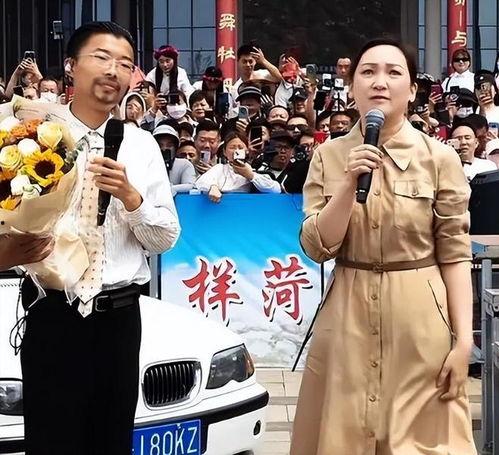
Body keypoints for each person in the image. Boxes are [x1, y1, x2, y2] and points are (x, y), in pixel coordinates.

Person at [291, 38, 476, 454]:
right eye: (368, 72)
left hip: (420, 322)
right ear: (351, 86)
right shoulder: (327, 156)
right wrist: (347, 184)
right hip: (347, 318)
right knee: (342, 437)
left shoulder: (439, 158)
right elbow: (318, 246)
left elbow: (454, 253)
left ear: (412, 90)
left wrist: (463, 341)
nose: (380, 82)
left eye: (394, 72)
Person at [20, 21, 180, 455]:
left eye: (125, 63)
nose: (114, 70)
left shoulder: (142, 145)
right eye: (102, 57)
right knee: (51, 441)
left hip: (118, 320)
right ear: (71, 66)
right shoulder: (31, 135)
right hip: (52, 314)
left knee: (110, 441)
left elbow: (165, 238)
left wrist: (131, 198)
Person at [195, 132, 280, 202]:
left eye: (240, 147)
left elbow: (276, 189)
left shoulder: (253, 169)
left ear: (247, 151)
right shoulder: (219, 168)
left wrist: (250, 175)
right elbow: (200, 182)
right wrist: (212, 187)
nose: (236, 151)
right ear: (224, 152)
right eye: (232, 147)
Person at [152, 122, 196, 195]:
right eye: (160, 145)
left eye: (169, 145)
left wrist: (170, 188)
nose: (164, 148)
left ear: (175, 147)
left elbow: (191, 186)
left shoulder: (184, 164)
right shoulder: (147, 165)